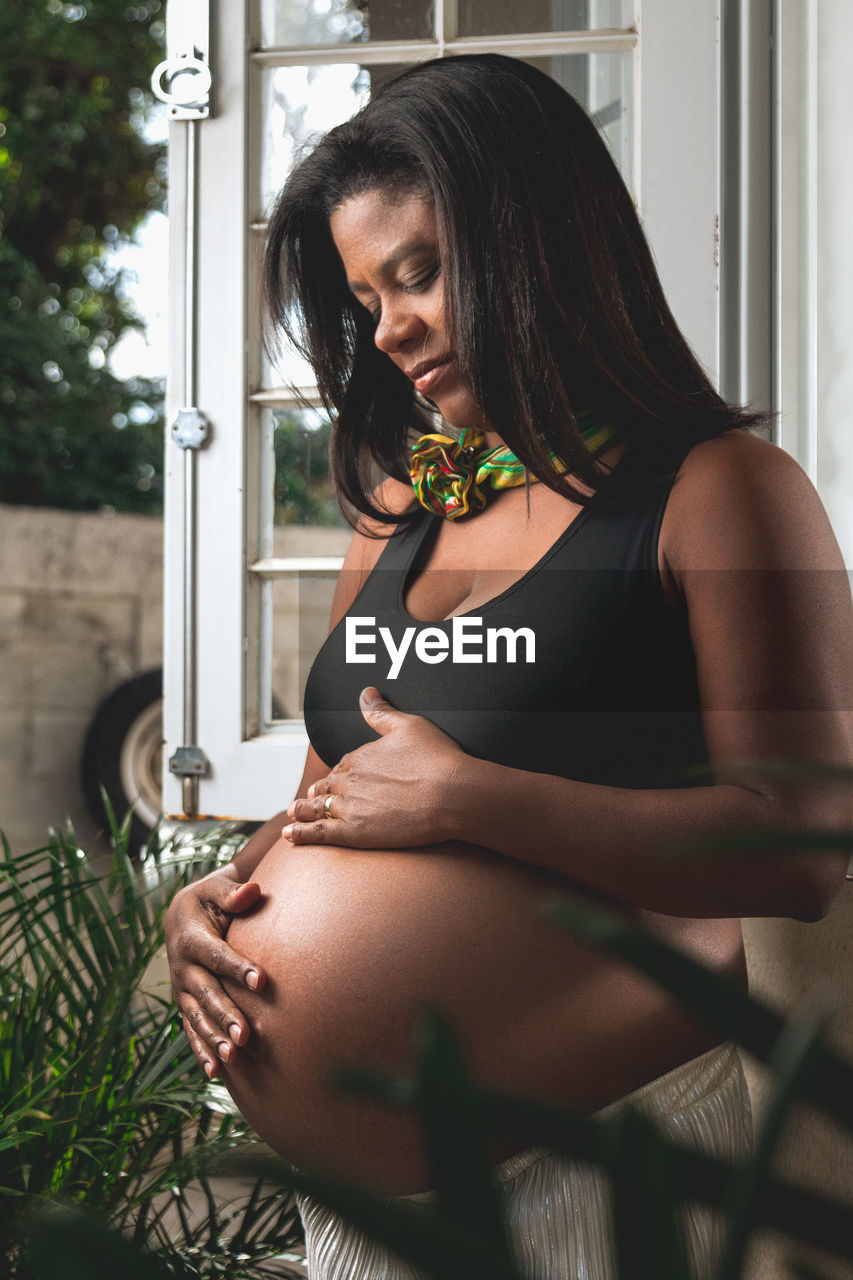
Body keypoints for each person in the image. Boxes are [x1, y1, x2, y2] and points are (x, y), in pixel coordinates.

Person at [164, 55, 852, 1279]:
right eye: (367, 296)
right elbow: (336, 793)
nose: (391, 330)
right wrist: (223, 891)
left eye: (420, 272)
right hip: (370, 1223)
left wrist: (481, 797)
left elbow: (801, 844)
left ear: (545, 241)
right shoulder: (396, 509)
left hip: (601, 1179)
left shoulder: (721, 494)